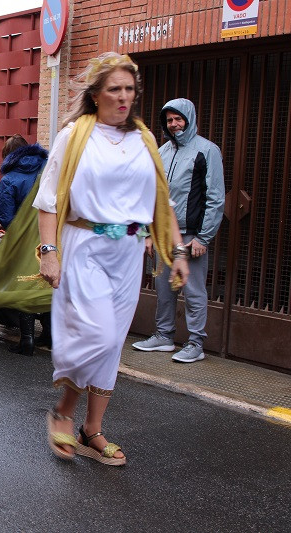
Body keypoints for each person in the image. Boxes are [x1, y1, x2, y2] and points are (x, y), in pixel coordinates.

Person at [33, 53, 189, 466]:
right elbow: (47, 201)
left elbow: (161, 200)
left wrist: (176, 250)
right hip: (83, 245)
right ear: (96, 94)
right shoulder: (75, 135)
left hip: (129, 252)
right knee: (98, 336)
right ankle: (63, 410)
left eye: (130, 90)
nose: (124, 97)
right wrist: (49, 252)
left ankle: (92, 429)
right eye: (115, 89)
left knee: (113, 343)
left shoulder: (145, 140)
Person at [132, 98, 225, 363]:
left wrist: (203, 237)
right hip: (163, 233)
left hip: (191, 235)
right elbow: (151, 194)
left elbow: (216, 197)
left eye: (178, 119)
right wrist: (148, 233)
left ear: (189, 118)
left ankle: (196, 343)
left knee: (193, 289)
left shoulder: (207, 150)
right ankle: (164, 336)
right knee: (164, 286)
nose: (174, 125)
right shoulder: (162, 152)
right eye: (169, 120)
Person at [0, 134, 51, 353]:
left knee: (25, 284)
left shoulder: (9, 178)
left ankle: (27, 339)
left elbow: (6, 217)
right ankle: (49, 335)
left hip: (24, 240)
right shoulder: (47, 168)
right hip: (50, 237)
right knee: (47, 283)